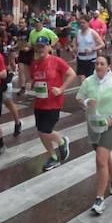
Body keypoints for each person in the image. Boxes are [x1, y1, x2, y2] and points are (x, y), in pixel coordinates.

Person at [75, 56, 112, 216]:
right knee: (105, 157)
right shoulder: (88, 82)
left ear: (108, 67)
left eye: (102, 64)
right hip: (93, 126)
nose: (98, 66)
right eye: (97, 63)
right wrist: (86, 103)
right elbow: (79, 98)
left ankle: (99, 199)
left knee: (100, 159)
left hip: (110, 126)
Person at [28, 38, 75, 172]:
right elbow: (33, 78)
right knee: (41, 132)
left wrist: (61, 89)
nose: (40, 49)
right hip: (39, 102)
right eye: (38, 47)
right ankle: (53, 157)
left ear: (49, 47)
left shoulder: (56, 61)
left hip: (53, 102)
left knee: (46, 130)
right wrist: (29, 83)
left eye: (43, 46)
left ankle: (62, 141)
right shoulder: (35, 64)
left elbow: (72, 74)